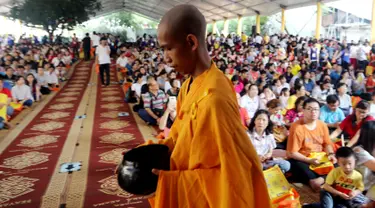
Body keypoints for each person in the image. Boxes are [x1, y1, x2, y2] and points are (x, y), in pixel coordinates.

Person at [145, 4, 270, 207]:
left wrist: (172, 182)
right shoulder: (188, 85)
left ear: (191, 42)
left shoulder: (214, 99)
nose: (165, 58)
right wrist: (144, 157)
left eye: (169, 48)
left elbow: (230, 175)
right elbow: (180, 139)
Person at [287, 98, 336, 192]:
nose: (313, 112)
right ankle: (321, 179)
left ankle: (320, 180)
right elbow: (292, 153)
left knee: (338, 163)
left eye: (316, 109)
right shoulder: (297, 127)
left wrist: (330, 154)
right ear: (303, 110)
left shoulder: (322, 125)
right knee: (299, 168)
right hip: (302, 158)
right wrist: (309, 160)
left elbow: (327, 144)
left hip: (320, 156)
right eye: (309, 109)